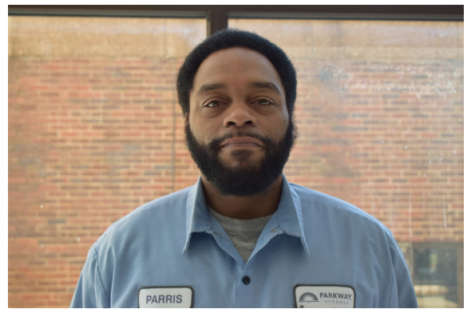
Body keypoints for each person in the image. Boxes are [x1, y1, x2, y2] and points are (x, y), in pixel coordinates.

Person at [70, 29, 418, 308]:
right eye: (214, 102)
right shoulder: (117, 254)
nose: (239, 116)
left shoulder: (370, 247)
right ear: (187, 121)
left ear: (290, 116)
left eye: (262, 101)